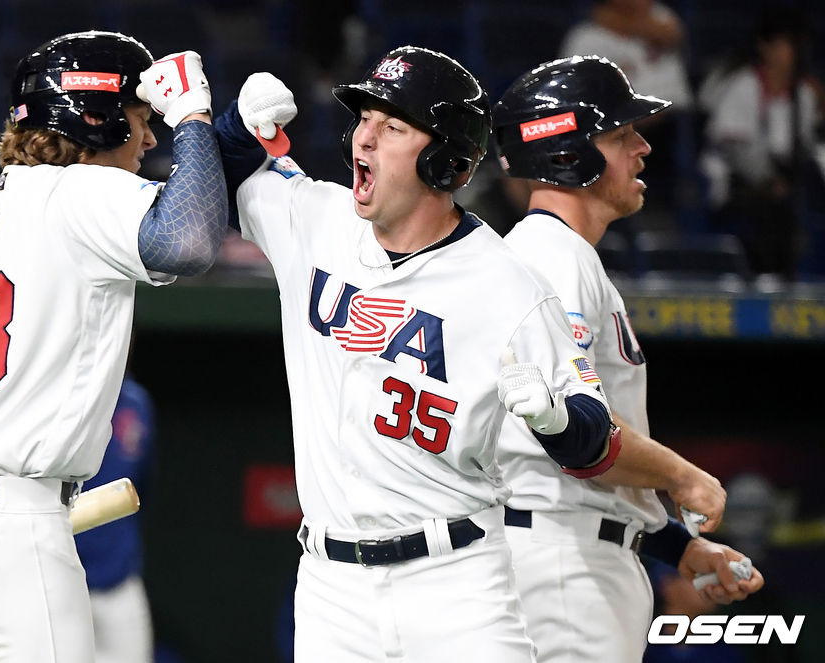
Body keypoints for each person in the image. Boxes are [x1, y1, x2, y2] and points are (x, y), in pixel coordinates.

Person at [215, 46, 620, 662]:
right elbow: (209, 186)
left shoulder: (508, 286)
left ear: (444, 161)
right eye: (364, 120)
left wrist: (554, 421)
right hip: (330, 588)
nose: (364, 138)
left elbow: (594, 442)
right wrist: (232, 127)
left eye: (393, 126)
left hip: (455, 584)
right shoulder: (316, 219)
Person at [0, 30, 226, 662]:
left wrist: (226, 141)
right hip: (8, 525)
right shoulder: (82, 189)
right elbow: (189, 243)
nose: (150, 138)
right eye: (140, 118)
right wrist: (196, 120)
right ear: (95, 118)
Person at [491, 55, 765, 662]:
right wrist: (684, 477)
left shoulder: (562, 256)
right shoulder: (550, 257)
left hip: (570, 553)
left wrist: (676, 547)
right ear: (568, 153)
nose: (642, 147)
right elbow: (574, 439)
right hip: (561, 567)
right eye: (619, 136)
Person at [698, 7, 825, 284]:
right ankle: (764, 278)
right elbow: (735, 150)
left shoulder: (803, 95)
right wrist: (769, 180)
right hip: (737, 182)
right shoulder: (743, 86)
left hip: (785, 182)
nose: (790, 53)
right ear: (765, 47)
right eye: (784, 45)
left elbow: (808, 148)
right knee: (770, 211)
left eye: (796, 45)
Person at [559, 0, 695, 233]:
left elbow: (676, 96)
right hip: (599, 137)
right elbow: (573, 103)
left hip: (661, 138)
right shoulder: (587, 38)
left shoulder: (660, 28)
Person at [75, 372, 157, 663]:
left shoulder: (135, 402)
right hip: (61, 578)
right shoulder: (60, 392)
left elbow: (141, 489)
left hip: (119, 582)